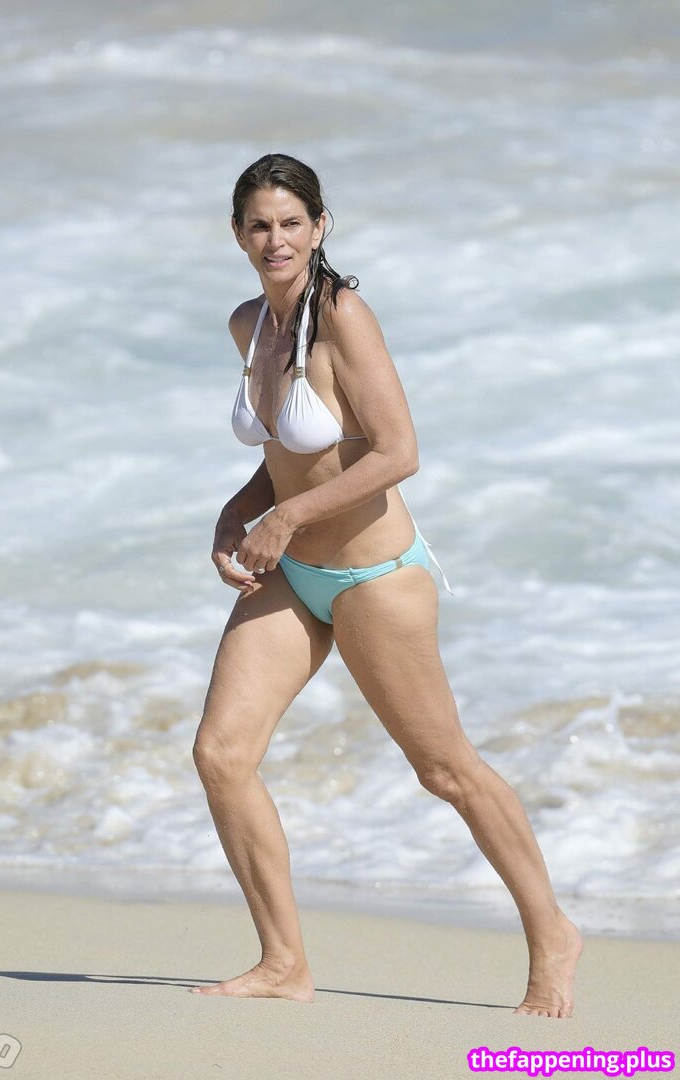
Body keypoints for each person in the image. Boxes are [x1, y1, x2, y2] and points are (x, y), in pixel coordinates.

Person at [190, 153, 582, 1016]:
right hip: (293, 575)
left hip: (374, 577)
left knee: (443, 770)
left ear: (319, 227)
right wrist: (237, 516)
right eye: (259, 225)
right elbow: (285, 458)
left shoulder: (342, 315)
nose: (275, 239)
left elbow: (398, 451)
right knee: (221, 755)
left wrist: (285, 519)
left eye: (291, 223)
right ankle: (283, 962)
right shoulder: (248, 323)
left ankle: (551, 932)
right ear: (237, 235)